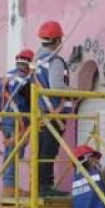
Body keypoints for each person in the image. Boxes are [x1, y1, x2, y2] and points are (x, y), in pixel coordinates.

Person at [33, 20, 71, 198]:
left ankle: (40, 187)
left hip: (41, 114)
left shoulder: (37, 61)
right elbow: (56, 85)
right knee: (49, 151)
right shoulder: (54, 61)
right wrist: (76, 93)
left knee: (42, 151)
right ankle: (45, 187)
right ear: (57, 40)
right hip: (54, 113)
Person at [0, 48, 34, 197]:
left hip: (5, 119)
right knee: (14, 154)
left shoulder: (4, 77)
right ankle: (9, 187)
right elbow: (30, 102)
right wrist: (30, 121)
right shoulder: (27, 80)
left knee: (10, 153)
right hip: (19, 121)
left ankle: (9, 186)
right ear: (29, 63)